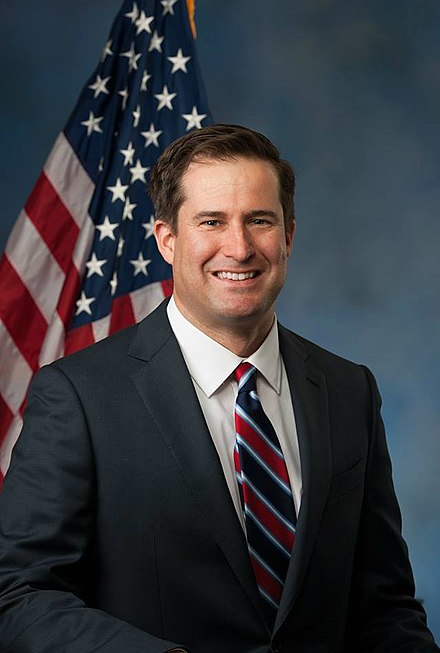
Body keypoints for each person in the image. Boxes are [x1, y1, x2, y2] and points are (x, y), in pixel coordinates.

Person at [0, 124, 437, 653]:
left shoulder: (349, 391)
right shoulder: (80, 396)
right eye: (212, 221)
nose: (240, 247)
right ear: (167, 239)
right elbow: (20, 595)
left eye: (260, 221)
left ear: (288, 236)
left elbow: (384, 606)